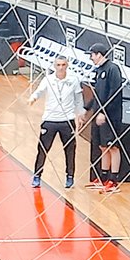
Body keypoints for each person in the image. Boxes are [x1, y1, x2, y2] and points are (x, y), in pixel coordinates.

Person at [28, 56, 89, 191]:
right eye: (58, 65)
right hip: (49, 119)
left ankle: (70, 177)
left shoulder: (73, 80)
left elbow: (78, 99)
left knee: (70, 150)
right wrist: (33, 98)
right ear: (54, 66)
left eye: (63, 65)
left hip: (67, 120)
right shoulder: (48, 79)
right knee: (43, 149)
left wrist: (80, 114)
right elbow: (39, 91)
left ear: (67, 66)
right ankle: (37, 176)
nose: (61, 67)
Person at [86, 43, 127, 193]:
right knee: (103, 146)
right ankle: (103, 177)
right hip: (99, 114)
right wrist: (87, 109)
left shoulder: (113, 69)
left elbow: (114, 93)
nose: (91, 58)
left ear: (99, 54)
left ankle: (114, 180)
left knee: (112, 147)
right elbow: (97, 93)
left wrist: (104, 112)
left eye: (92, 55)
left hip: (111, 116)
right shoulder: (99, 70)